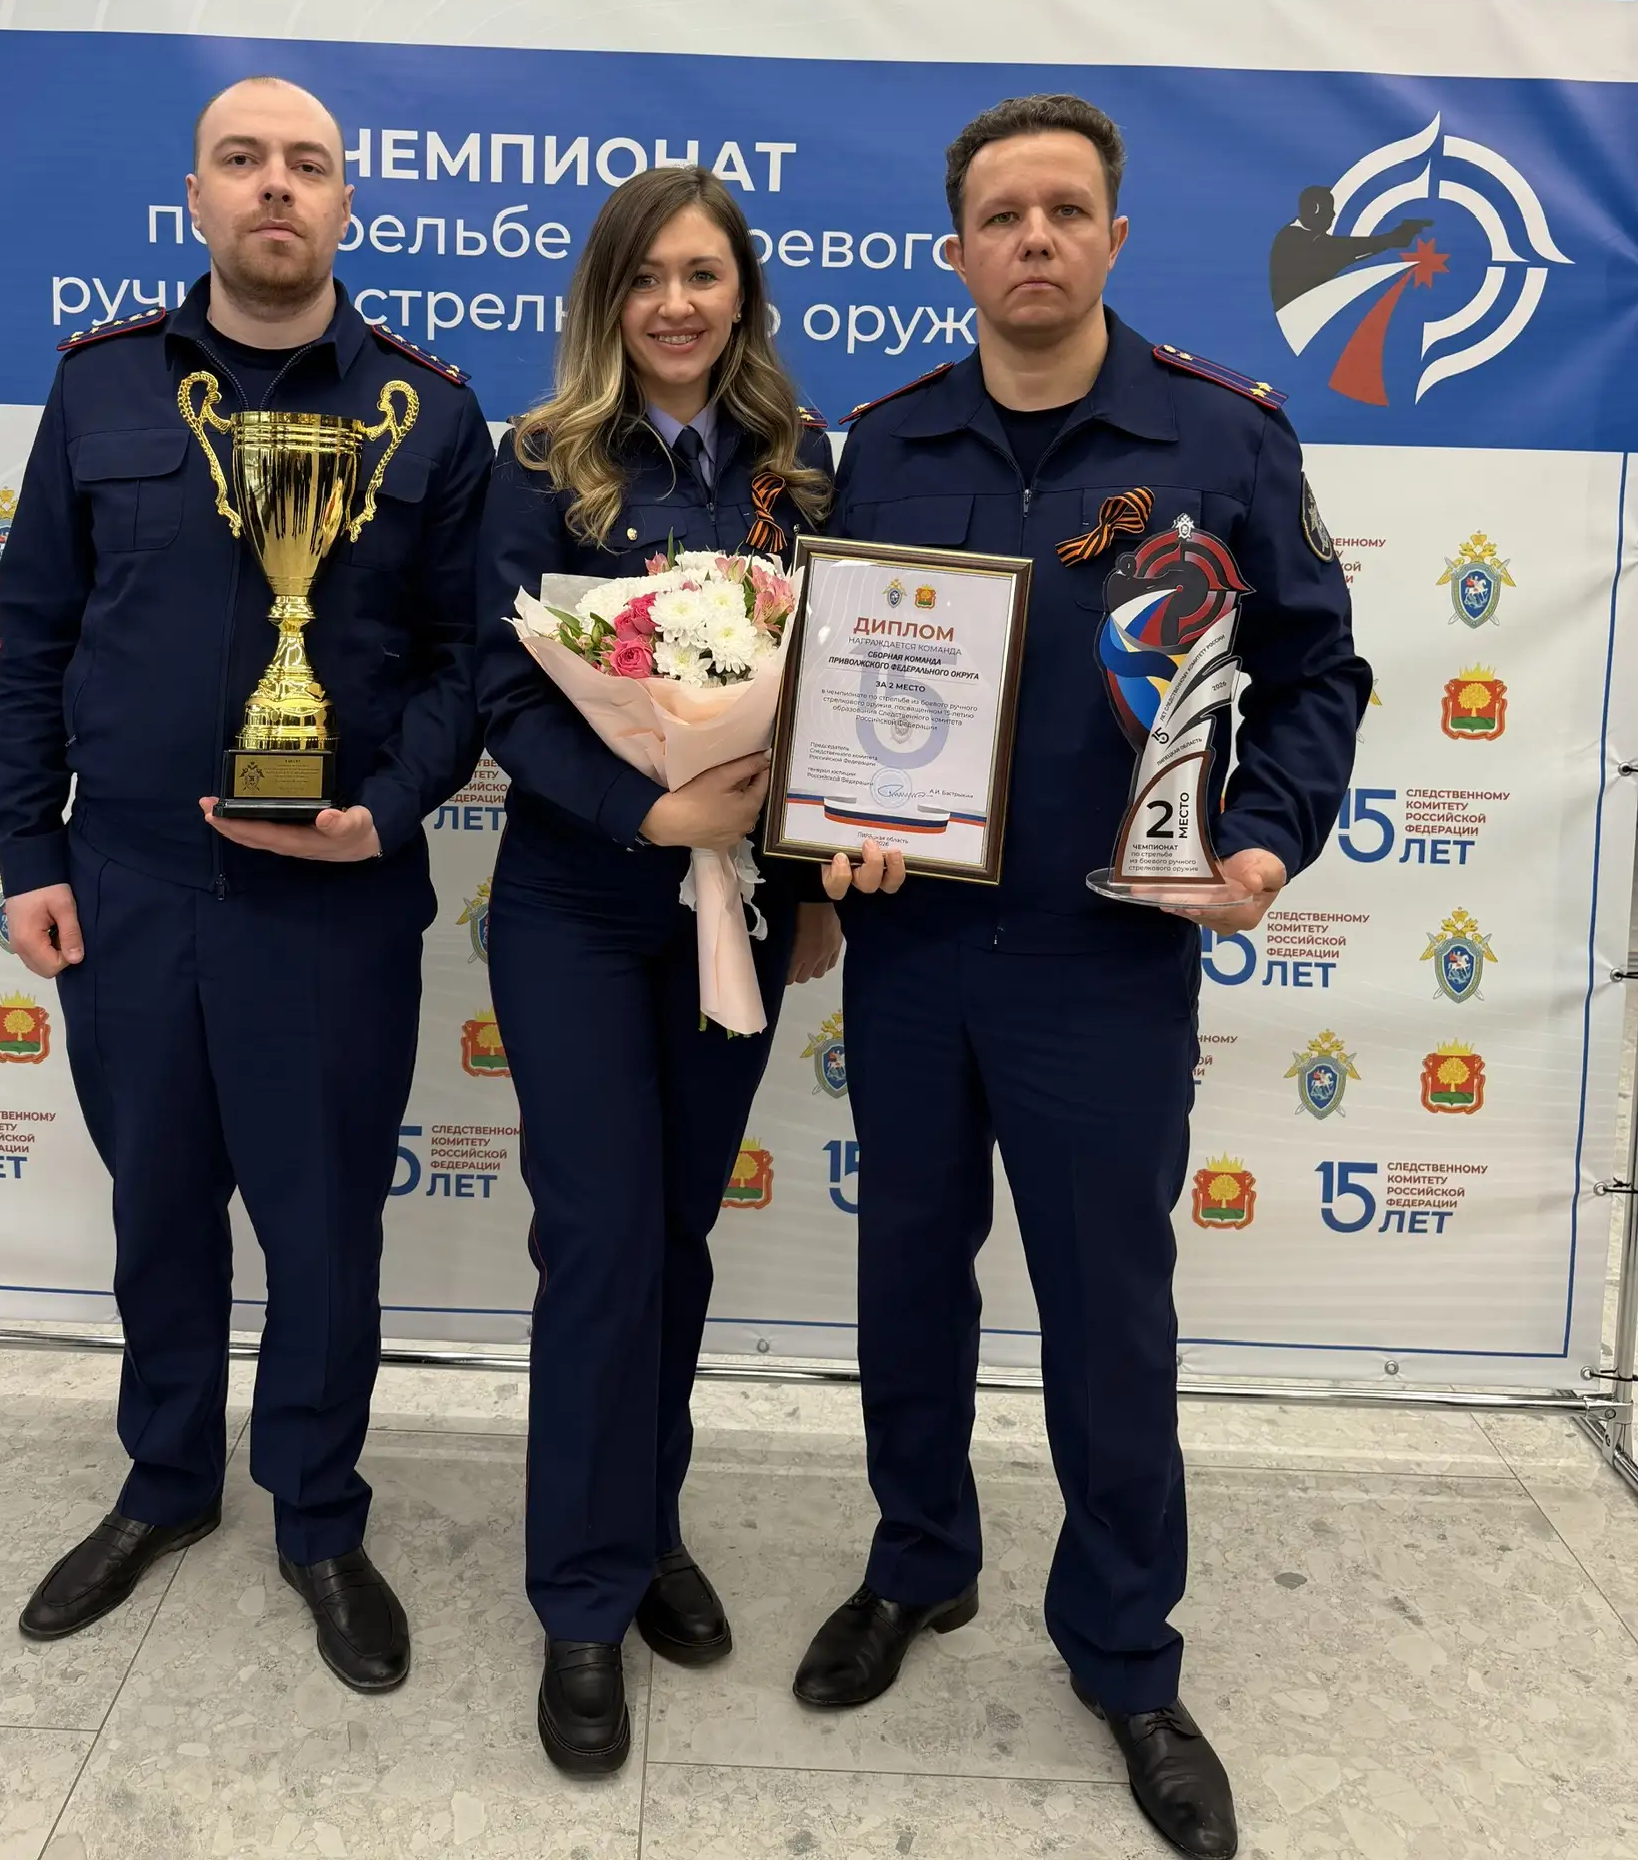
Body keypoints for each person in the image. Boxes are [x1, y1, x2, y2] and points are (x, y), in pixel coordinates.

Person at [792, 95, 1369, 1860]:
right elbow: (827, 687)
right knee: (907, 1279)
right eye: (1001, 214)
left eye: (1064, 210)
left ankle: (1125, 1653)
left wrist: (1260, 841)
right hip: (911, 953)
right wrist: (831, 841)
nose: (1033, 237)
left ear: (1114, 237)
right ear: (956, 250)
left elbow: (1318, 673)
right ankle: (920, 1562)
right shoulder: (882, 445)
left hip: (1106, 957)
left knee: (1109, 1317)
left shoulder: (1221, 436)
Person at [0, 75, 492, 1694]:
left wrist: (384, 816)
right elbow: (35, 638)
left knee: (325, 1226)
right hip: (128, 887)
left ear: (346, 204)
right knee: (157, 1209)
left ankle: (320, 1518)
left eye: (309, 165)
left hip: (330, 904)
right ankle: (164, 1484)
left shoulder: (428, 414)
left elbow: (467, 664)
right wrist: (27, 852)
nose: (278, 186)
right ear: (195, 195)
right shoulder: (103, 388)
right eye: (244, 160)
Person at [475, 165, 841, 1775]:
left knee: (676, 1239)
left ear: (742, 291)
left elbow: (843, 686)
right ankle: (579, 1601)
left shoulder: (801, 469)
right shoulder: (540, 463)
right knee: (601, 1242)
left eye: (703, 274)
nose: (676, 304)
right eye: (645, 278)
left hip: (738, 914)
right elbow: (501, 687)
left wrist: (807, 883)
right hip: (575, 904)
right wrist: (648, 808)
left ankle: (646, 1524)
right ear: (607, 301)